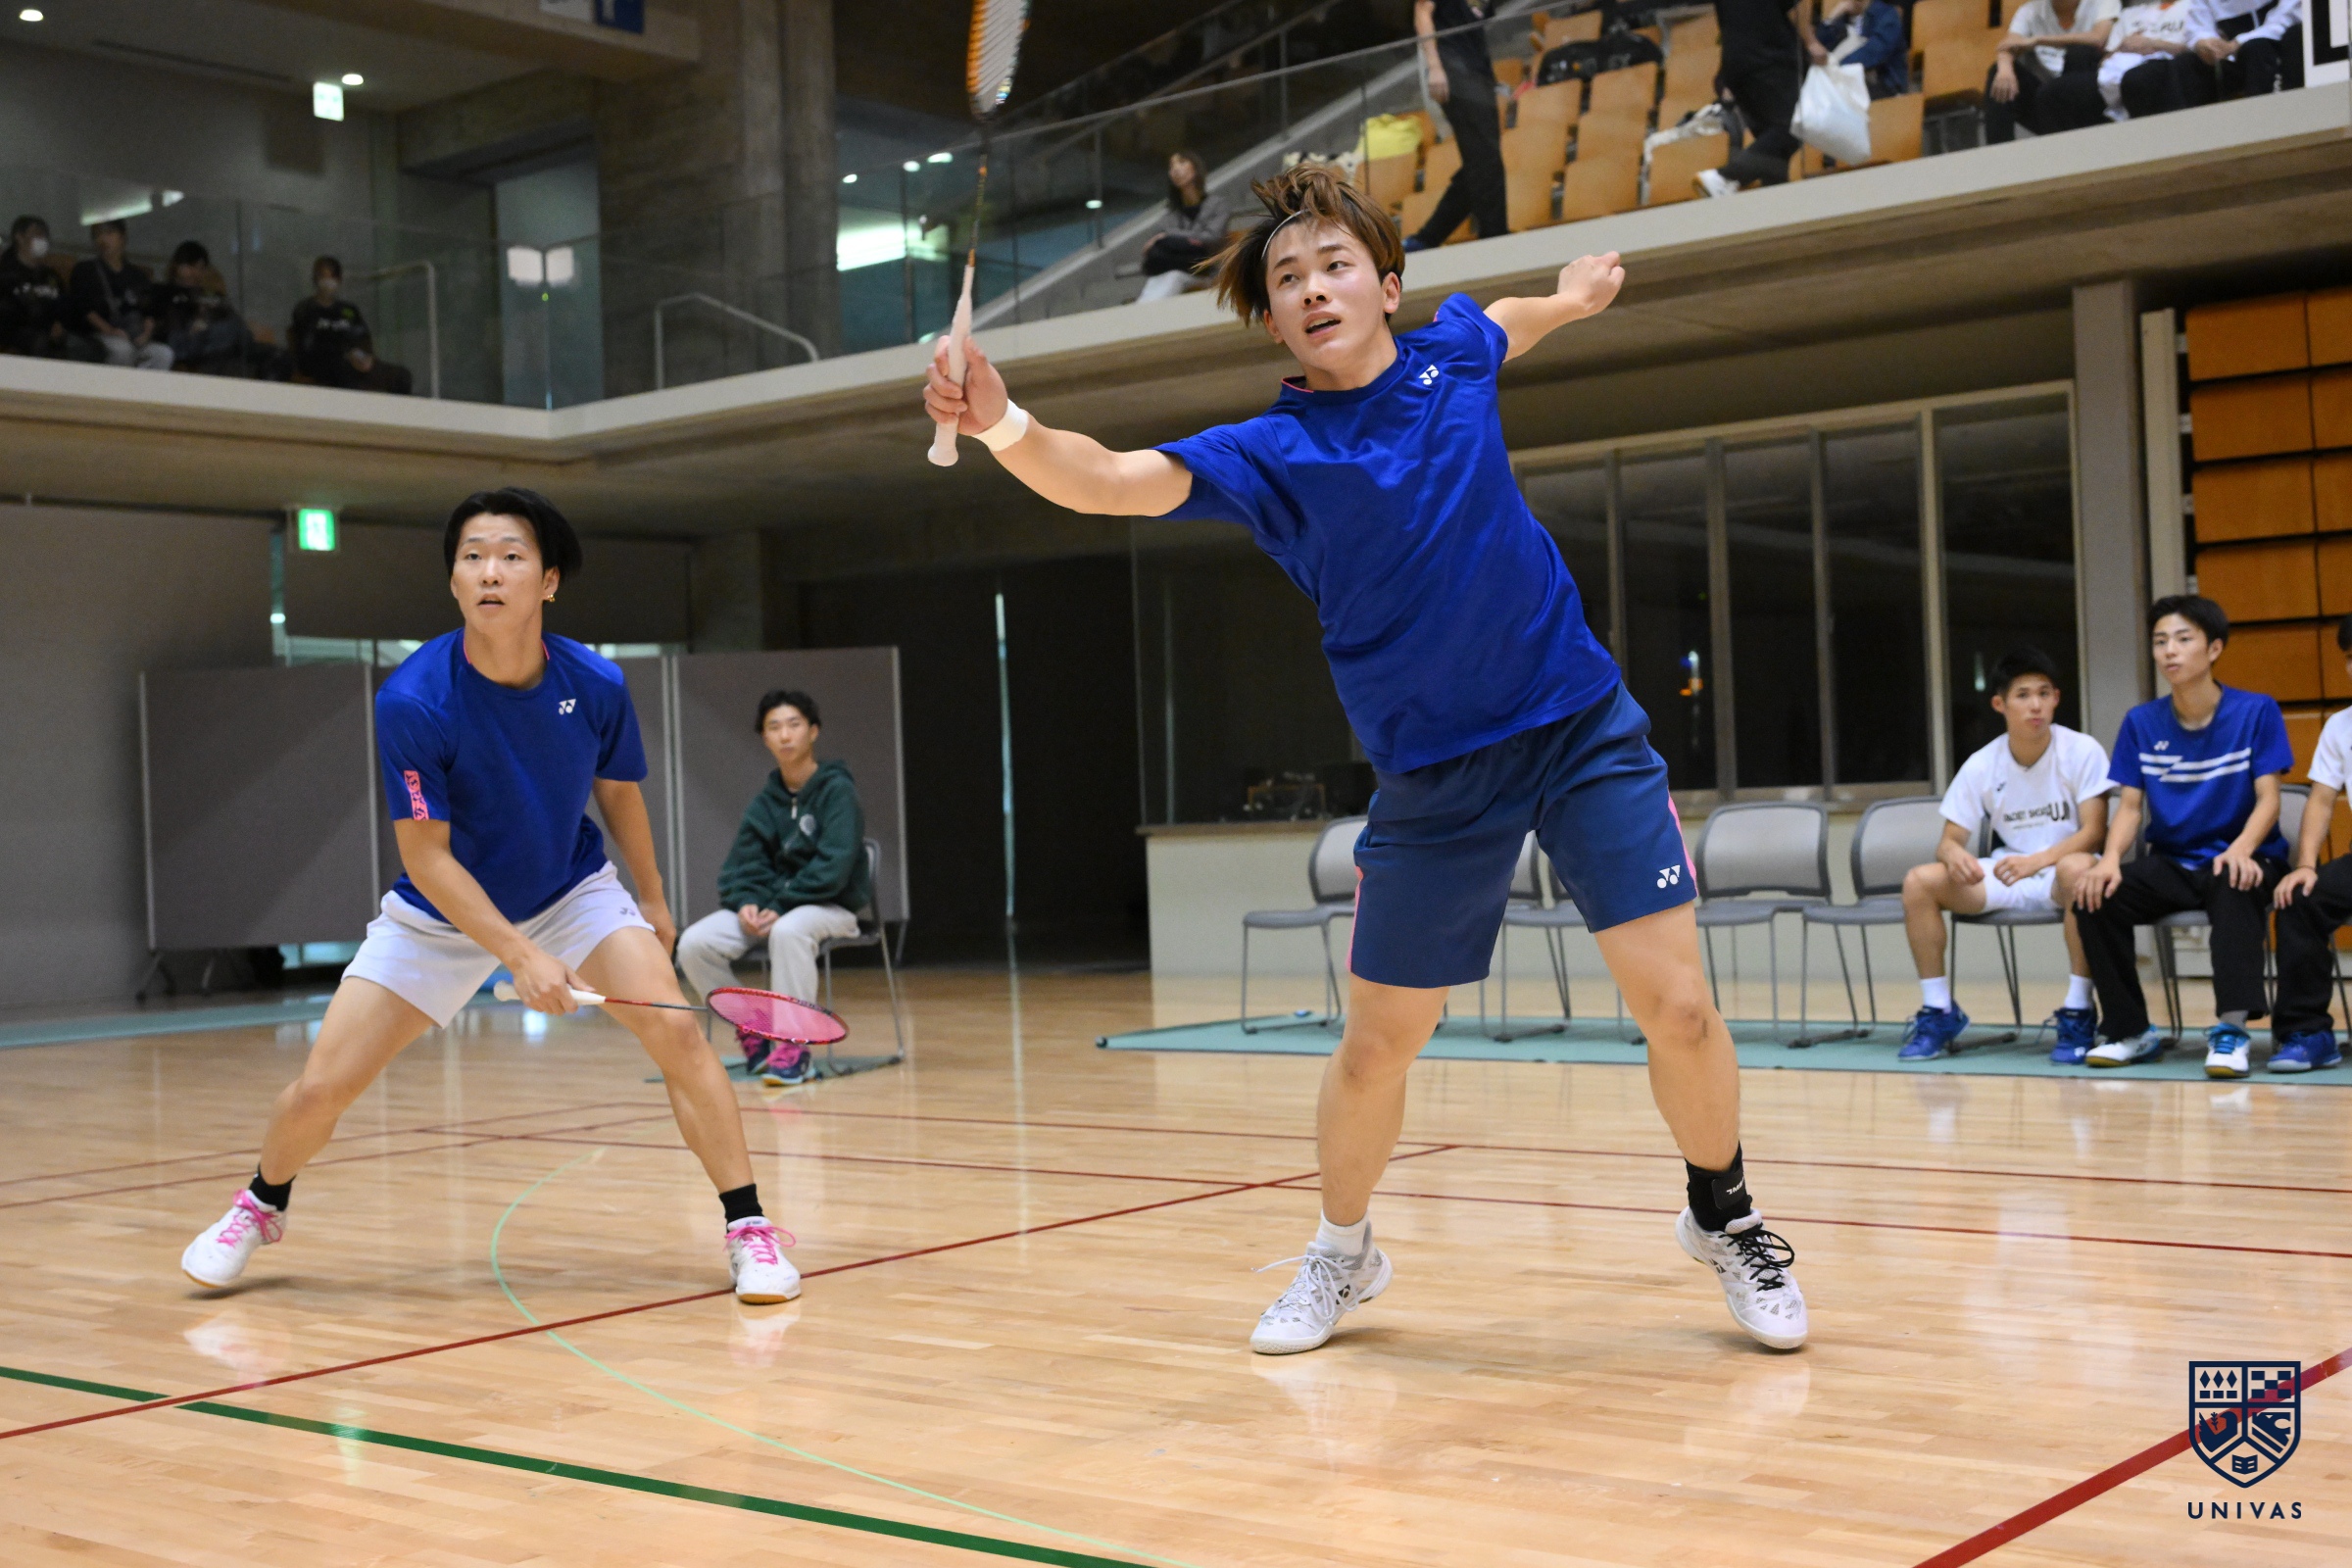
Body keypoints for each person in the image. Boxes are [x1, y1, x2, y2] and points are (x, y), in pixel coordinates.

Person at [922, 165, 1809, 1356]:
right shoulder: (1273, 451)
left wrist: (1573, 297)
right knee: (1378, 1044)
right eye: (1287, 279)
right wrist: (1001, 424)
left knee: (1682, 1009)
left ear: (1387, 287)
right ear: (1275, 323)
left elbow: (1509, 320)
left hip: (1576, 727)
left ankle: (1724, 1213)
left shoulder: (1453, 356)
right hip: (1435, 777)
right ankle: (1343, 1253)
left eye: (1334, 264)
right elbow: (1109, 482)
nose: (1312, 287)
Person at [179, 488, 796, 1305]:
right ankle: (261, 1204)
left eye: (511, 556)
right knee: (321, 1089)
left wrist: (651, 899)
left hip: (570, 891)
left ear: (549, 581)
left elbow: (618, 791)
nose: (490, 572)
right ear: (454, 581)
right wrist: (519, 954)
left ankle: (749, 1227)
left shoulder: (595, 682)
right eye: (472, 557)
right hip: (439, 915)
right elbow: (427, 858)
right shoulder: (414, 699)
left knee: (679, 1036)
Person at [2073, 595, 2290, 1077]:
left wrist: (2241, 849)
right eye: (2160, 641)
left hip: (2244, 856)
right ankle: (2129, 1030)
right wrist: (2108, 861)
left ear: (2214, 649)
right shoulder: (2141, 722)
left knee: (2234, 881)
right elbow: (2130, 807)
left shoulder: (2256, 711)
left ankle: (2232, 1030)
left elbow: (2269, 799)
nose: (2169, 650)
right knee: (2095, 897)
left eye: (2183, 639)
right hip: (2174, 860)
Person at [1896, 649, 2111, 1064]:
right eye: (2023, 695)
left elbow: (2094, 832)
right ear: (2000, 704)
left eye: (2044, 694)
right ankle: (1939, 1010)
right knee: (1919, 882)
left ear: (2056, 699)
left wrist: (2040, 860)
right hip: (2009, 871)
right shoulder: (1982, 764)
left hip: (2061, 873)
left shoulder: (2081, 750)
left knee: (2079, 868)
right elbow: (1948, 840)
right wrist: (1953, 855)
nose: (2035, 705)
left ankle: (2079, 1009)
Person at [674, 688, 871, 1085]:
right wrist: (747, 901)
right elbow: (740, 867)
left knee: (789, 931)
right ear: (764, 737)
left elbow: (833, 868)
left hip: (829, 906)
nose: (785, 735)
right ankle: (754, 1027)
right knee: (694, 944)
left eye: (794, 725)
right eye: (774, 727)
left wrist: (780, 904)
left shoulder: (838, 791)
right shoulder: (765, 802)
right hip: (773, 907)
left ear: (813, 731)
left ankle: (794, 1045)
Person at [2266, 612, 2352, 1075]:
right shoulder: (2340, 727)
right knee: (2299, 899)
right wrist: (2305, 865)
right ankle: (2309, 1033)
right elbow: (2320, 800)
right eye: (2351, 658)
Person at [1406, 0, 1509, 249]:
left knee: (1483, 160)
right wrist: (1434, 66)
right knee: (1485, 159)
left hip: (1479, 72)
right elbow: (1422, 11)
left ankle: (1426, 238)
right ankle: (1495, 239)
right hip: (1452, 70)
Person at [1697, 0, 1805, 196]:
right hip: (1768, 58)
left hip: (1735, 65)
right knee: (1792, 127)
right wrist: (1812, 43)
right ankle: (1726, 177)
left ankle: (1777, 207)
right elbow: (1794, 9)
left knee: (1774, 152)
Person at [1986, 0, 2119, 141]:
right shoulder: (2030, 10)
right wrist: (2005, 68)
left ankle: (2080, 138)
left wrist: (2038, 40)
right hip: (2047, 103)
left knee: (2080, 53)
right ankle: (1998, 149)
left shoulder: (2103, 2)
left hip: (2090, 99)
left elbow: (2098, 38)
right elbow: (2009, 44)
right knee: (1999, 74)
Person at [289, 256, 413, 394]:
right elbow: (306, 346)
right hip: (323, 365)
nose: (329, 282)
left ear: (339, 280)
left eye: (333, 277)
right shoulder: (305, 309)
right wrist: (344, 354)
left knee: (401, 376)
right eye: (324, 276)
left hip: (356, 362)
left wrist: (365, 356)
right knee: (344, 370)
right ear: (315, 279)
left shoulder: (348, 310)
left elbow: (362, 337)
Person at [152, 241, 270, 377]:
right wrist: (199, 324)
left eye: (200, 268)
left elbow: (239, 328)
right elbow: (175, 342)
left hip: (226, 348)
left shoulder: (211, 296)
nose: (195, 273)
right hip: (195, 349)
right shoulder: (164, 294)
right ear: (176, 266)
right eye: (190, 266)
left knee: (275, 356)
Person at [66, 220, 172, 369]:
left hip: (134, 337)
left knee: (163, 354)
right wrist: (110, 331)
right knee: (122, 350)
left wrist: (145, 335)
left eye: (109, 233)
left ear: (122, 237)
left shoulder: (137, 275)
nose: (103, 240)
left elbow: (149, 311)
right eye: (98, 235)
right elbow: (85, 309)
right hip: (100, 336)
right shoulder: (85, 270)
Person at [1138, 152, 1231, 303]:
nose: (1175, 169)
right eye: (1171, 166)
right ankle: (1142, 312)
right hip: (1174, 266)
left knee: (1173, 277)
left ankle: (1145, 313)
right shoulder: (1171, 213)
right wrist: (1183, 239)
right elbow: (1157, 240)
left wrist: (1169, 236)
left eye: (1181, 162)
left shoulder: (1218, 205)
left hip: (1204, 269)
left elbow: (1213, 237)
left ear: (1195, 168)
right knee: (1160, 278)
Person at [0, 216, 92, 361]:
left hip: (56, 333)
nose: (42, 239)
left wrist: (60, 325)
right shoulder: (5, 275)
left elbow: (66, 305)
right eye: (37, 234)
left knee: (90, 348)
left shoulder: (51, 276)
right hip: (20, 335)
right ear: (19, 237)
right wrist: (42, 327)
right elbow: (7, 315)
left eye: (44, 235)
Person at [2176, 0, 2303, 103]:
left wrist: (2237, 43)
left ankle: (2262, 114)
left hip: (2275, 46)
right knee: (2185, 63)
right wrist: (2205, 43)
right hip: (2230, 58)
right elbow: (2197, 29)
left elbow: (2288, 16)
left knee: (2256, 48)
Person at [2098, 0, 2203, 118]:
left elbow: (2199, 50)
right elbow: (2104, 61)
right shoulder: (2129, 14)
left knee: (2138, 77)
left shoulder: (2194, 6)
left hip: (2169, 65)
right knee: (2084, 86)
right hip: (2120, 70)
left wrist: (2154, 44)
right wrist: (2122, 47)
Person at [1810, 0, 1910, 97]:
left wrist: (1835, 66)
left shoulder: (1887, 15)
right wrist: (1833, 16)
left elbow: (1874, 53)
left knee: (1830, 95)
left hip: (1882, 83)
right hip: (1846, 77)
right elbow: (1819, 45)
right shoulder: (1845, 14)